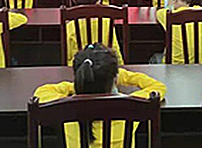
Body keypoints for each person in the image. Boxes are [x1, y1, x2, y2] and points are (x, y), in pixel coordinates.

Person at [34, 43, 166, 148]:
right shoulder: (132, 105)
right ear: (114, 79)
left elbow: (41, 93)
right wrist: (122, 75)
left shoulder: (64, 106)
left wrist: (77, 85)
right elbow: (157, 87)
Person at [65, 0, 124, 65]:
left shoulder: (70, 26)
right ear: (99, 1)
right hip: (106, 66)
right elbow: (115, 49)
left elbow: (68, 55)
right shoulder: (107, 22)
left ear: (74, 1)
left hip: (78, 67)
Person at [156, 0, 202, 64]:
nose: (165, 1)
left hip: (175, 66)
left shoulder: (165, 15)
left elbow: (161, 11)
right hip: (201, 65)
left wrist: (169, 7)